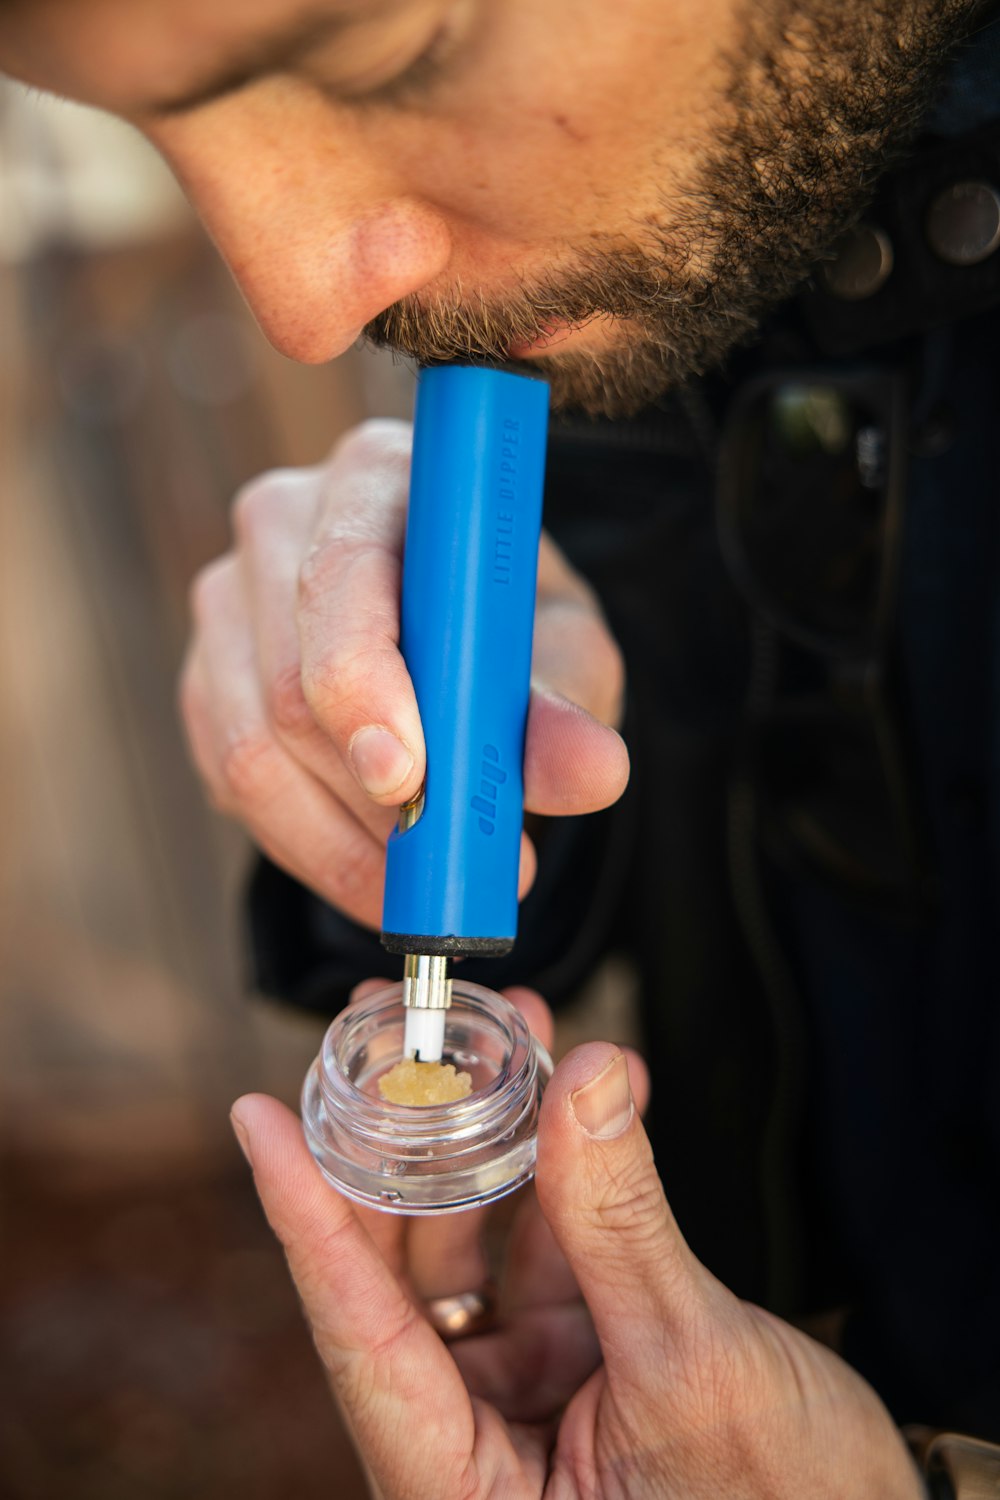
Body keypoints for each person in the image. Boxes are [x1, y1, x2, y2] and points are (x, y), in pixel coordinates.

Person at [3, 0, 1000, 1493]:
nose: (295, 302)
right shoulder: (751, 170)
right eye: (158, 130)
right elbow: (699, 674)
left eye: (385, 62)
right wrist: (499, 657)